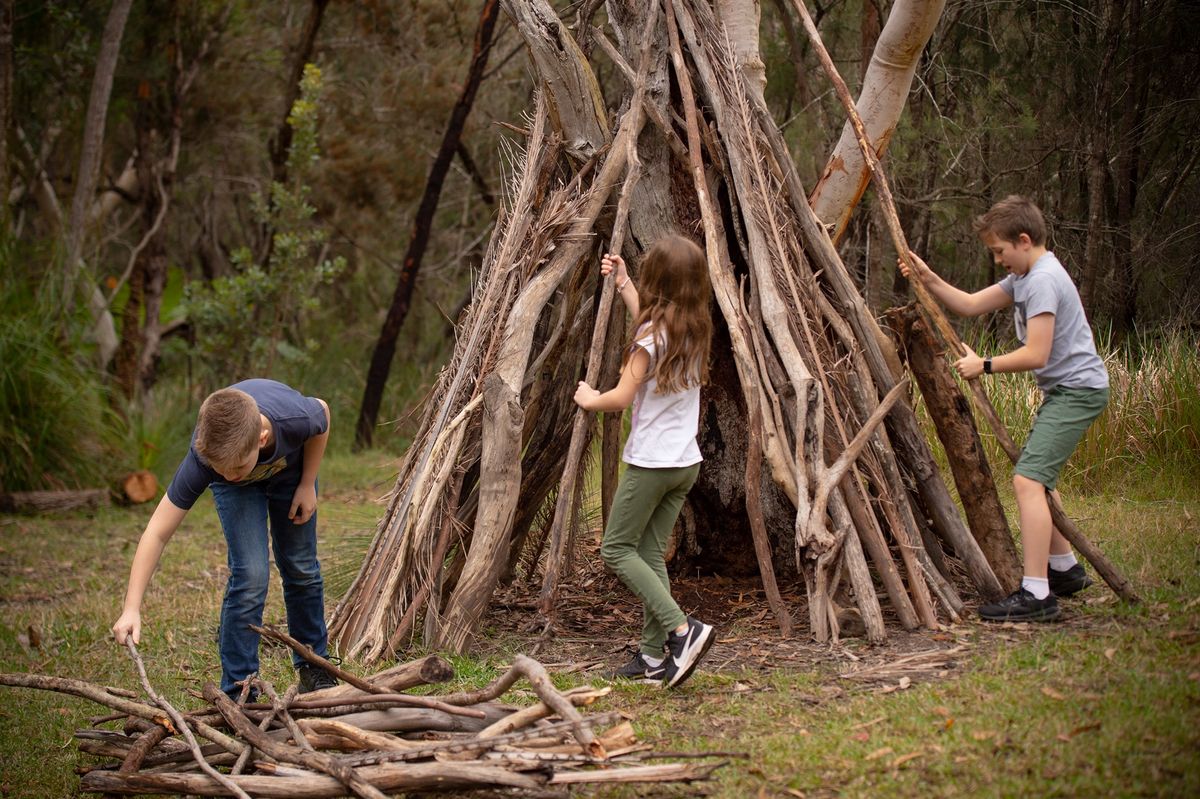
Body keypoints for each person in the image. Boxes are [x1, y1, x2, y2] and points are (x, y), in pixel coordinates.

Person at [900, 195, 1109, 622]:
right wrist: (929, 278)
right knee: (1038, 478)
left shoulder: (1043, 280)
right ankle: (1064, 570)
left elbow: (1037, 353)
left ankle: (1037, 595)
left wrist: (985, 365)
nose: (997, 261)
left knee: (1028, 481)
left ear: (1024, 240)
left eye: (999, 251)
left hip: (1078, 391)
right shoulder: (1027, 275)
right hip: (1068, 391)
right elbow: (971, 304)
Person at [112, 379, 339, 698]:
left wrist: (308, 483)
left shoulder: (292, 418)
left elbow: (323, 415)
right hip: (238, 495)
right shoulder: (208, 460)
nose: (229, 473)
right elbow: (157, 532)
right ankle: (240, 687)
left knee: (301, 567)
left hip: (292, 475)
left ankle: (314, 667)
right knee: (251, 575)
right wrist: (131, 607)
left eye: (236, 467)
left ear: (261, 439)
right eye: (221, 469)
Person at [574, 235, 717, 687]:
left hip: (651, 464)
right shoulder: (695, 328)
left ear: (659, 280)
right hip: (684, 464)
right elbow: (651, 328)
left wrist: (590, 398)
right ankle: (653, 657)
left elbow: (620, 397)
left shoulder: (650, 338)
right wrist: (623, 283)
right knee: (652, 553)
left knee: (616, 548)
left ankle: (681, 629)